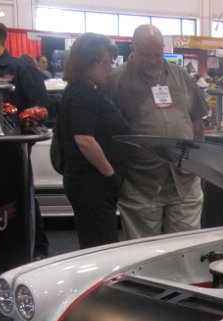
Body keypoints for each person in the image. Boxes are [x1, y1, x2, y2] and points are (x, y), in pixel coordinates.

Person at [105, 24, 208, 239]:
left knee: (186, 246)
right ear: (133, 48)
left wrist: (196, 159)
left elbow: (197, 119)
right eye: (146, 55)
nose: (153, 61)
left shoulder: (180, 75)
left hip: (184, 179)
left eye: (157, 55)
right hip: (140, 181)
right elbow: (107, 131)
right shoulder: (116, 80)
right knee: (144, 250)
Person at [0, 20, 50, 259]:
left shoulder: (20, 69)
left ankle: (36, 248)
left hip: (13, 148)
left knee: (23, 195)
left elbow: (41, 106)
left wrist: (20, 124)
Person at [59, 33, 129, 249]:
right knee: (100, 245)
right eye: (104, 63)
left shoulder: (86, 91)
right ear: (86, 63)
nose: (109, 69)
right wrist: (111, 176)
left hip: (92, 183)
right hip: (92, 184)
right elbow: (85, 140)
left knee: (98, 242)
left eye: (111, 62)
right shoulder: (82, 94)